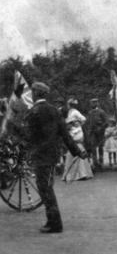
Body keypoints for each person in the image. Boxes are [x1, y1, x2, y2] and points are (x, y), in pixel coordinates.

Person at [24, 82, 86, 233]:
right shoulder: (54, 110)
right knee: (47, 187)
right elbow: (65, 135)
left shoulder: (34, 112)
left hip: (40, 156)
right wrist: (78, 151)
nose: (31, 94)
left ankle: (54, 223)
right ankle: (52, 221)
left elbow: (29, 137)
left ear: (35, 94)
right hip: (52, 155)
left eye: (32, 92)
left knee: (45, 189)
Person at [85, 98, 108, 170]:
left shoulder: (101, 112)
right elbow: (88, 122)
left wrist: (101, 128)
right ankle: (95, 163)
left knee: (100, 147)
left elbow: (106, 122)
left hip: (100, 132)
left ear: (97, 103)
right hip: (92, 132)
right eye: (91, 103)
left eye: (94, 103)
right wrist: (88, 131)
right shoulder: (90, 113)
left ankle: (101, 163)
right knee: (93, 147)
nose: (92, 104)